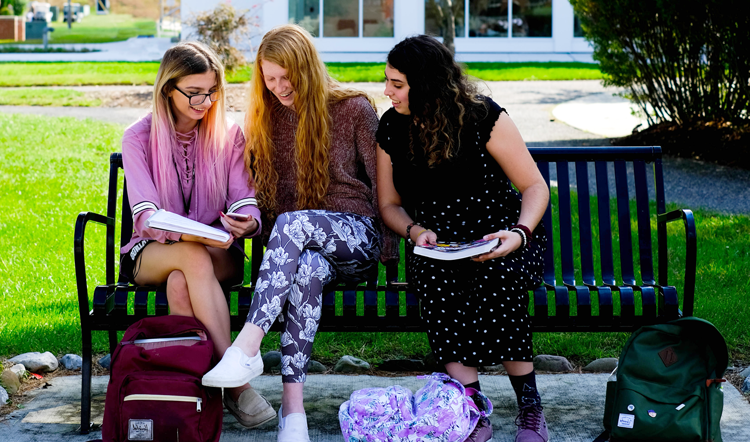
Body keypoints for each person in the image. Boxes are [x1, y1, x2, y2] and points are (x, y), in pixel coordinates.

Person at [201, 24, 397, 442]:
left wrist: (392, 257)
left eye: (286, 77)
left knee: (296, 222)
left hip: (356, 238)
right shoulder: (264, 120)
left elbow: (385, 189)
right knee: (305, 268)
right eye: (269, 79)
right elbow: (267, 203)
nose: (278, 87)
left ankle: (247, 348)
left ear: (307, 68)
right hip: (302, 252)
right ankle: (294, 415)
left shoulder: (353, 108)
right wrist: (251, 225)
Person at [376, 35, 550, 442]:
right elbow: (389, 204)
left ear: (427, 84)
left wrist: (519, 234)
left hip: (502, 234)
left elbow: (535, 187)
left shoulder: (482, 117)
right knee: (437, 280)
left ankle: (530, 407)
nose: (387, 91)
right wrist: (415, 231)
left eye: (397, 84)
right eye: (387, 81)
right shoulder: (392, 126)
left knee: (498, 275)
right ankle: (471, 409)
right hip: (439, 243)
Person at [120, 41, 276, 430]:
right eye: (193, 92)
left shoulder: (228, 134)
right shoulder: (137, 137)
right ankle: (237, 385)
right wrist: (186, 236)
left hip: (218, 250)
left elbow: (244, 198)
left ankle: (194, 392)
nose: (204, 101)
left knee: (181, 283)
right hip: (153, 251)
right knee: (186, 261)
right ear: (167, 90)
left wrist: (248, 222)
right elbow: (147, 217)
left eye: (211, 91)